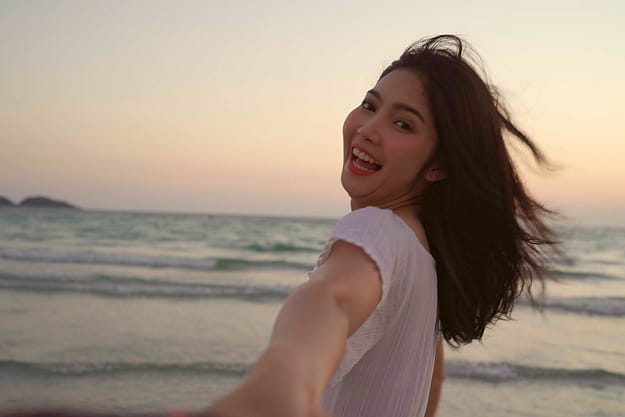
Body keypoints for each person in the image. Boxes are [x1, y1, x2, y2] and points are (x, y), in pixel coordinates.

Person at [208, 34, 558, 417]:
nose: (368, 129)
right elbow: (433, 379)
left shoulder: (376, 231)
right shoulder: (423, 257)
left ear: (438, 165)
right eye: (369, 106)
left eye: (403, 124)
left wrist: (282, 381)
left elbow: (332, 299)